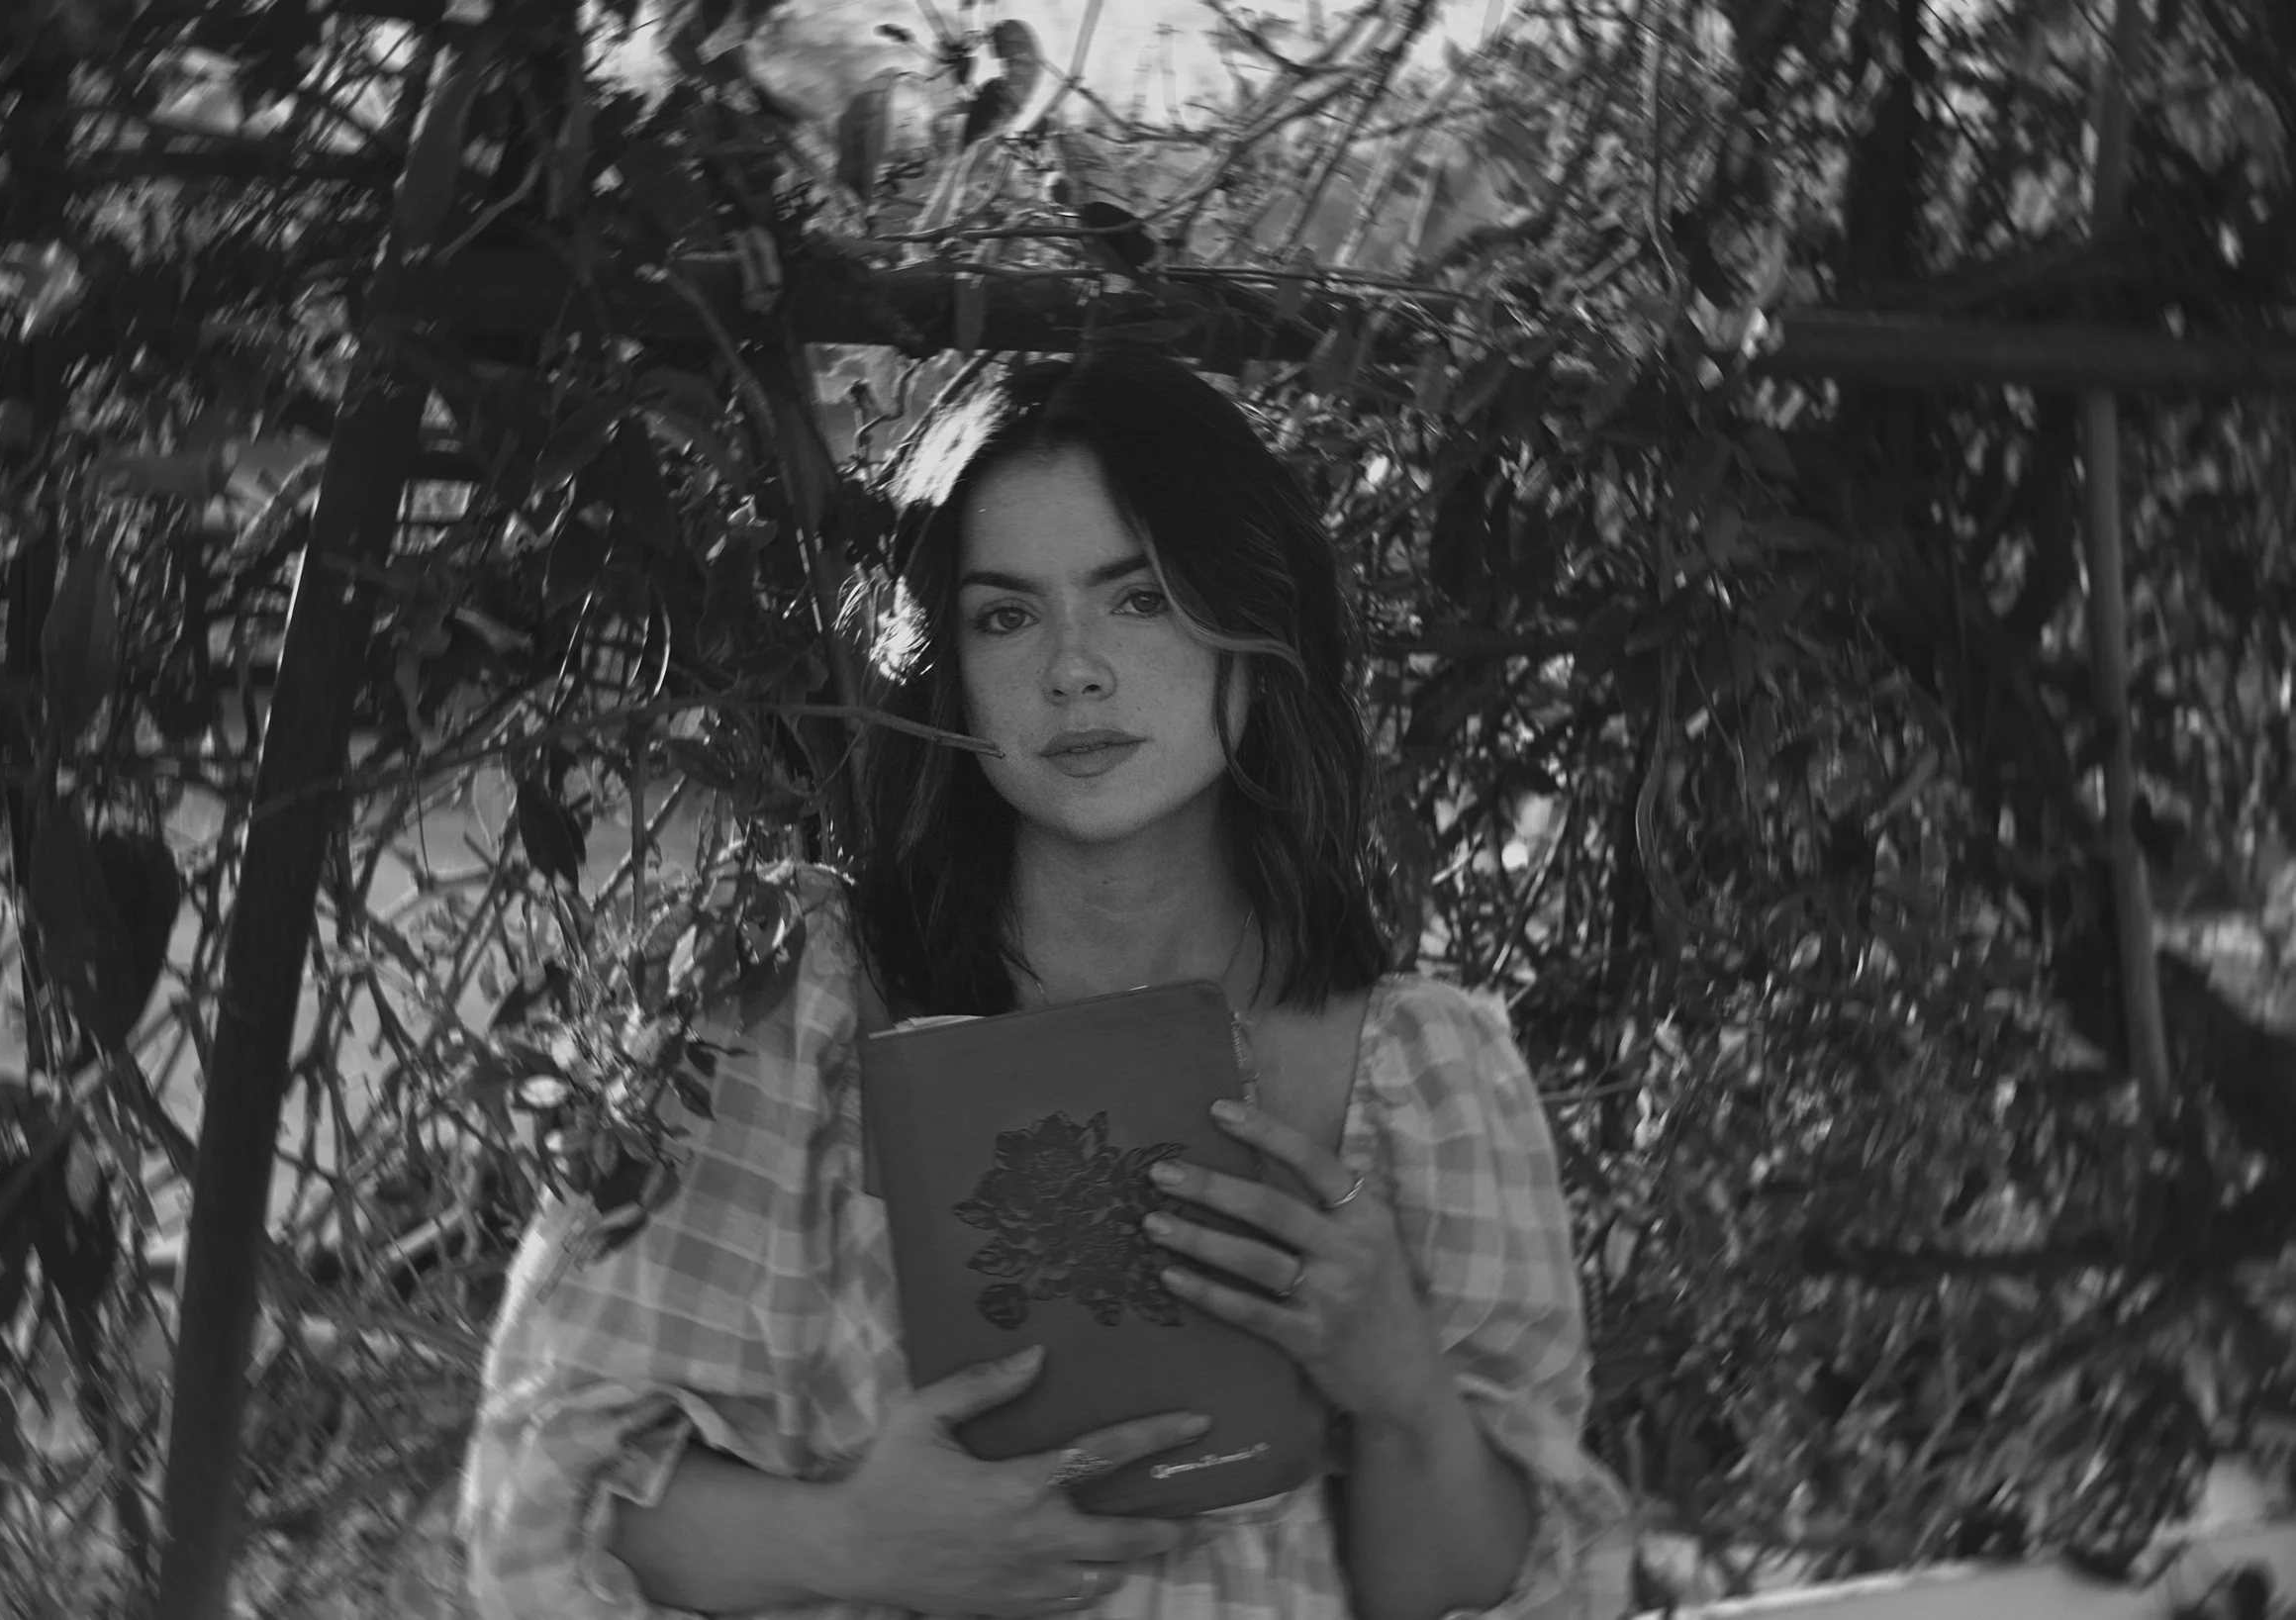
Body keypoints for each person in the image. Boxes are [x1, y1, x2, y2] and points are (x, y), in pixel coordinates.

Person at [459, 347, 1632, 1619]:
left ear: (1258, 618)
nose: (1074, 667)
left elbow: (1509, 1598)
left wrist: (1400, 1388)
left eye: (1140, 599)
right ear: (941, 662)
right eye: (1006, 614)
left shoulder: (1433, 1078)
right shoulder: (777, 1008)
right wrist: (854, 1540)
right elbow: (539, 1500)